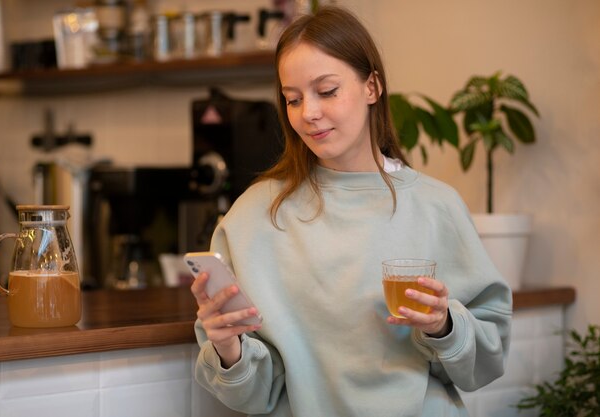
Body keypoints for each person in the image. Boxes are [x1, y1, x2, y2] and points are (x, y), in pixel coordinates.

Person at [191, 5, 512, 417]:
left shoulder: (437, 207)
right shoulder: (253, 217)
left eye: (327, 91)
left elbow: (487, 361)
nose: (308, 113)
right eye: (292, 99)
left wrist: (444, 325)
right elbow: (254, 395)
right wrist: (227, 349)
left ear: (372, 86)